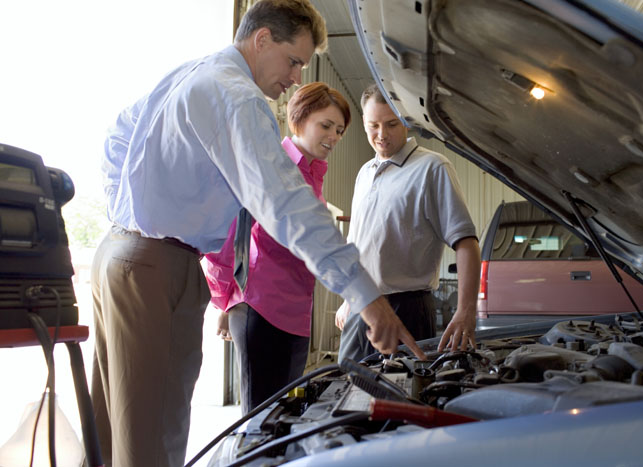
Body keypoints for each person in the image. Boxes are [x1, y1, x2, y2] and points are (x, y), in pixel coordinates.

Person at [91, 2, 424, 465]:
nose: (294, 78)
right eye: (293, 61)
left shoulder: (192, 74)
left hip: (119, 256)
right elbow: (287, 206)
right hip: (158, 264)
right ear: (262, 39)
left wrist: (126, 212)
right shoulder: (237, 96)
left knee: (108, 434)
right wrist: (367, 297)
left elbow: (116, 139)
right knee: (150, 443)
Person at [202, 81, 351, 414]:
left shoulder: (313, 174)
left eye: (339, 130)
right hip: (261, 306)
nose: (334, 136)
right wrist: (226, 301)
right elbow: (230, 233)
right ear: (298, 120)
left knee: (284, 415)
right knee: (259, 418)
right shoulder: (271, 164)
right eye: (325, 125)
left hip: (296, 311)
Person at [336, 83, 481, 362]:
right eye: (373, 125)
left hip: (407, 309)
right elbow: (359, 244)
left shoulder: (432, 168)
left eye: (391, 124)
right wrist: (349, 299)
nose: (381, 135)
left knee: (400, 397)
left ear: (407, 121)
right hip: (360, 306)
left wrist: (466, 311)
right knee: (347, 395)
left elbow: (466, 242)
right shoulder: (364, 173)